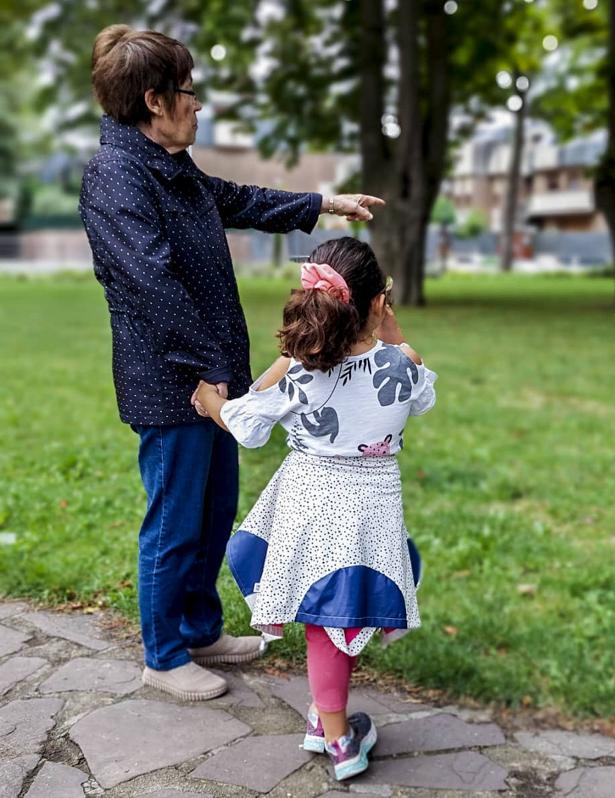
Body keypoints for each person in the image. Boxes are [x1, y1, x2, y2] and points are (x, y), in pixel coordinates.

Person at [79, 24, 384, 702]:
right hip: (176, 384)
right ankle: (163, 656)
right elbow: (150, 284)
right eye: (189, 92)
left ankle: (199, 629)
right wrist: (209, 374)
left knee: (214, 512)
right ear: (155, 100)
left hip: (214, 374)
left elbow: (236, 200)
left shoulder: (166, 165)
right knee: (174, 520)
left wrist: (321, 203)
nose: (198, 105)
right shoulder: (115, 176)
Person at [193, 237, 437, 780]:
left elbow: (247, 425)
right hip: (370, 507)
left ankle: (333, 730)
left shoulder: (298, 372)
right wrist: (395, 337)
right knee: (338, 613)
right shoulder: (400, 367)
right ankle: (334, 729)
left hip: (310, 502)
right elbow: (422, 392)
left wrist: (211, 401)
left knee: (328, 616)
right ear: (379, 303)